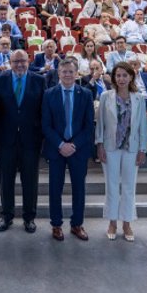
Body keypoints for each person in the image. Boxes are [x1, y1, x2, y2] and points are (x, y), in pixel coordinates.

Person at [0, 49, 46, 233]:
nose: (19, 65)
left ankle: (29, 218)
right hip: (5, 140)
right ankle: (6, 216)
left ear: (28, 61)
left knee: (30, 181)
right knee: (6, 180)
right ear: (10, 62)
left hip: (30, 140)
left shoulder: (39, 80)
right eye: (15, 62)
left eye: (22, 61)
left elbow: (43, 111)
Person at [42, 59, 94, 241]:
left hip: (78, 149)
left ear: (76, 73)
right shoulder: (49, 94)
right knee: (55, 188)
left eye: (71, 71)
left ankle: (77, 224)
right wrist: (60, 144)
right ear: (58, 73)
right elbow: (46, 125)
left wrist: (73, 145)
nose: (67, 75)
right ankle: (56, 225)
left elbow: (89, 126)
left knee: (79, 189)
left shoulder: (86, 94)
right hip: (56, 149)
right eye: (64, 71)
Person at [95, 62, 147, 241]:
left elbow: (142, 126)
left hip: (131, 148)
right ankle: (112, 222)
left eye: (125, 75)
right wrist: (99, 144)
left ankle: (127, 223)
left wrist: (143, 148)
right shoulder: (105, 96)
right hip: (110, 147)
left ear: (131, 77)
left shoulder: (139, 98)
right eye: (118, 75)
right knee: (111, 186)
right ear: (113, 77)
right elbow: (100, 124)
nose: (121, 79)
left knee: (128, 187)